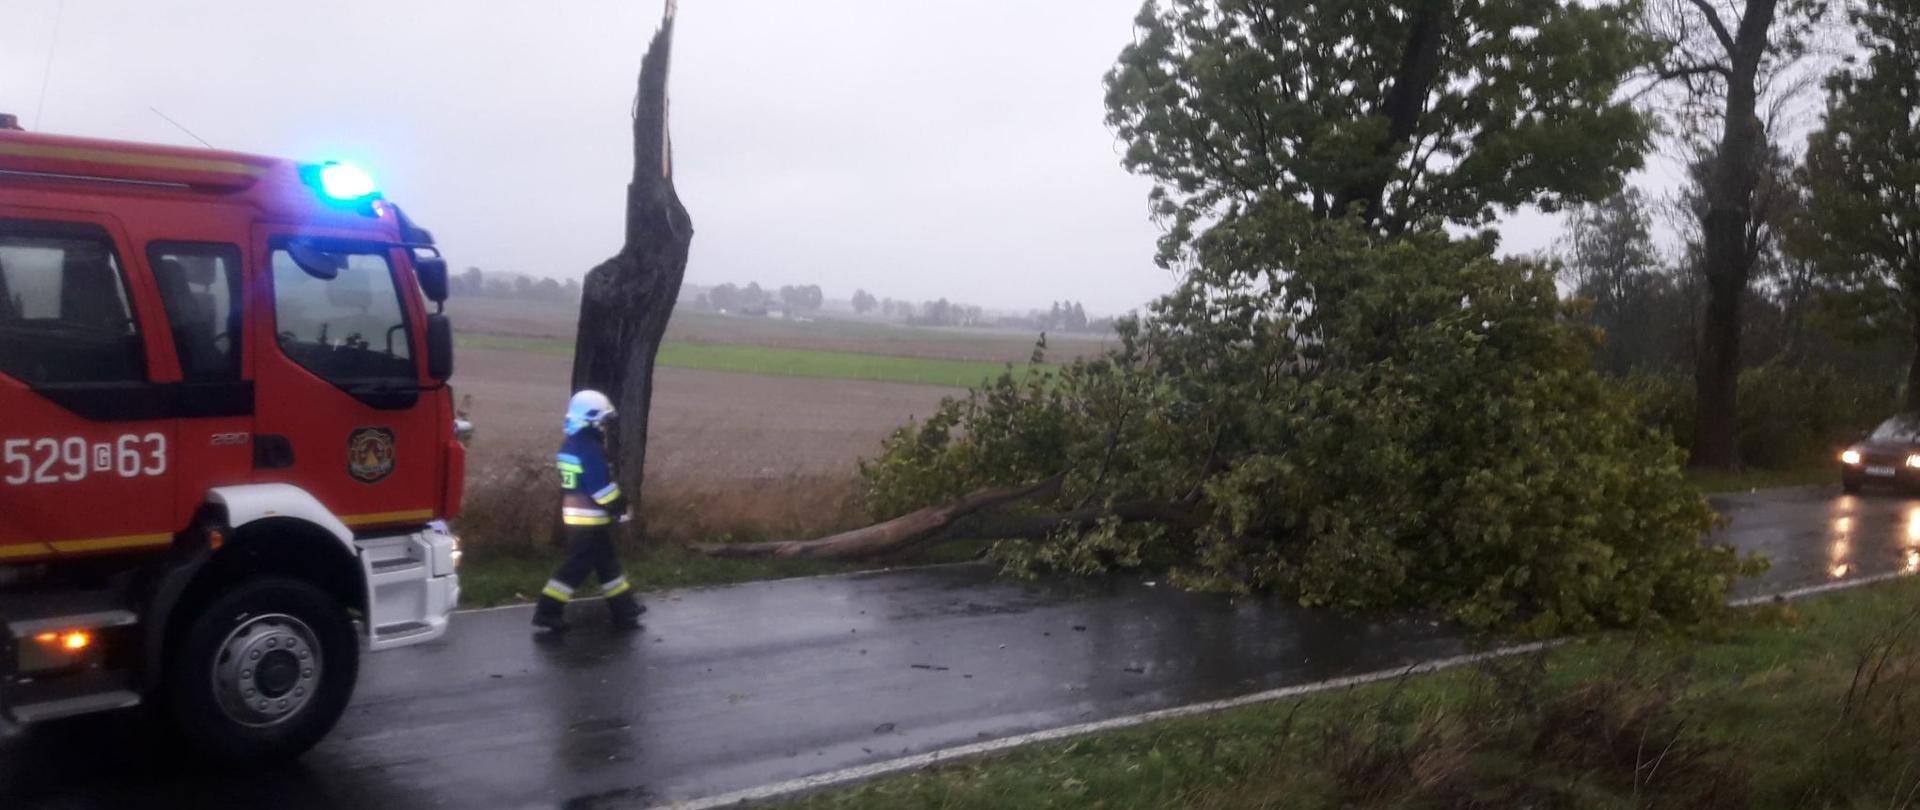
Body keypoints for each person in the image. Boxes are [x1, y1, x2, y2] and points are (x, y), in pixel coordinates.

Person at [532, 389, 646, 632]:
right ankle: (547, 611)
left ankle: (625, 609)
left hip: (577, 517)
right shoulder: (590, 448)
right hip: (589, 520)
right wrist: (619, 504)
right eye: (603, 420)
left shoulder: (571, 445)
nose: (605, 425)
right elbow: (600, 488)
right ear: (591, 418)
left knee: (607, 564)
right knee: (576, 567)